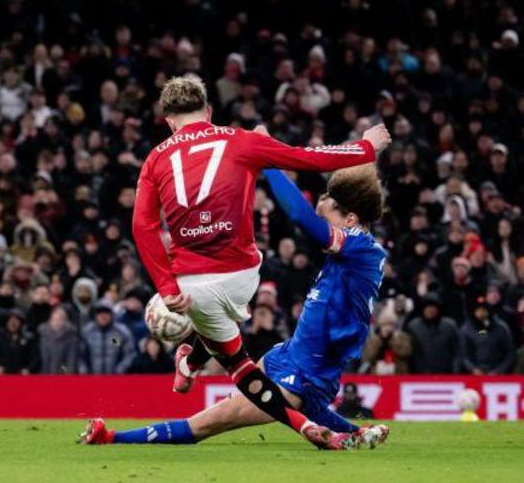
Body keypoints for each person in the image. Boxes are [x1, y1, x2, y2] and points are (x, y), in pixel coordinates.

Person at [131, 75, 390, 447]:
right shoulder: (239, 140)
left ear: (169, 121)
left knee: (208, 419)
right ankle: (191, 362)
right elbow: (308, 157)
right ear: (209, 111)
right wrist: (364, 147)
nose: (321, 206)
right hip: (267, 317)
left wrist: (167, 287)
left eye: (328, 204)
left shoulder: (155, 158)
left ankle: (117, 433)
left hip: (199, 285)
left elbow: (143, 225)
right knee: (235, 319)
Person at [84, 165, 392, 450]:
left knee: (207, 423)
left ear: (350, 219)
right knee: (289, 396)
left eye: (326, 219)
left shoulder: (360, 248)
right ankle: (190, 359)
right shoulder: (353, 253)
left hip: (309, 369)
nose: (320, 227)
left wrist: (267, 161)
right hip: (290, 355)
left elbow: (299, 214)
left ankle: (112, 437)